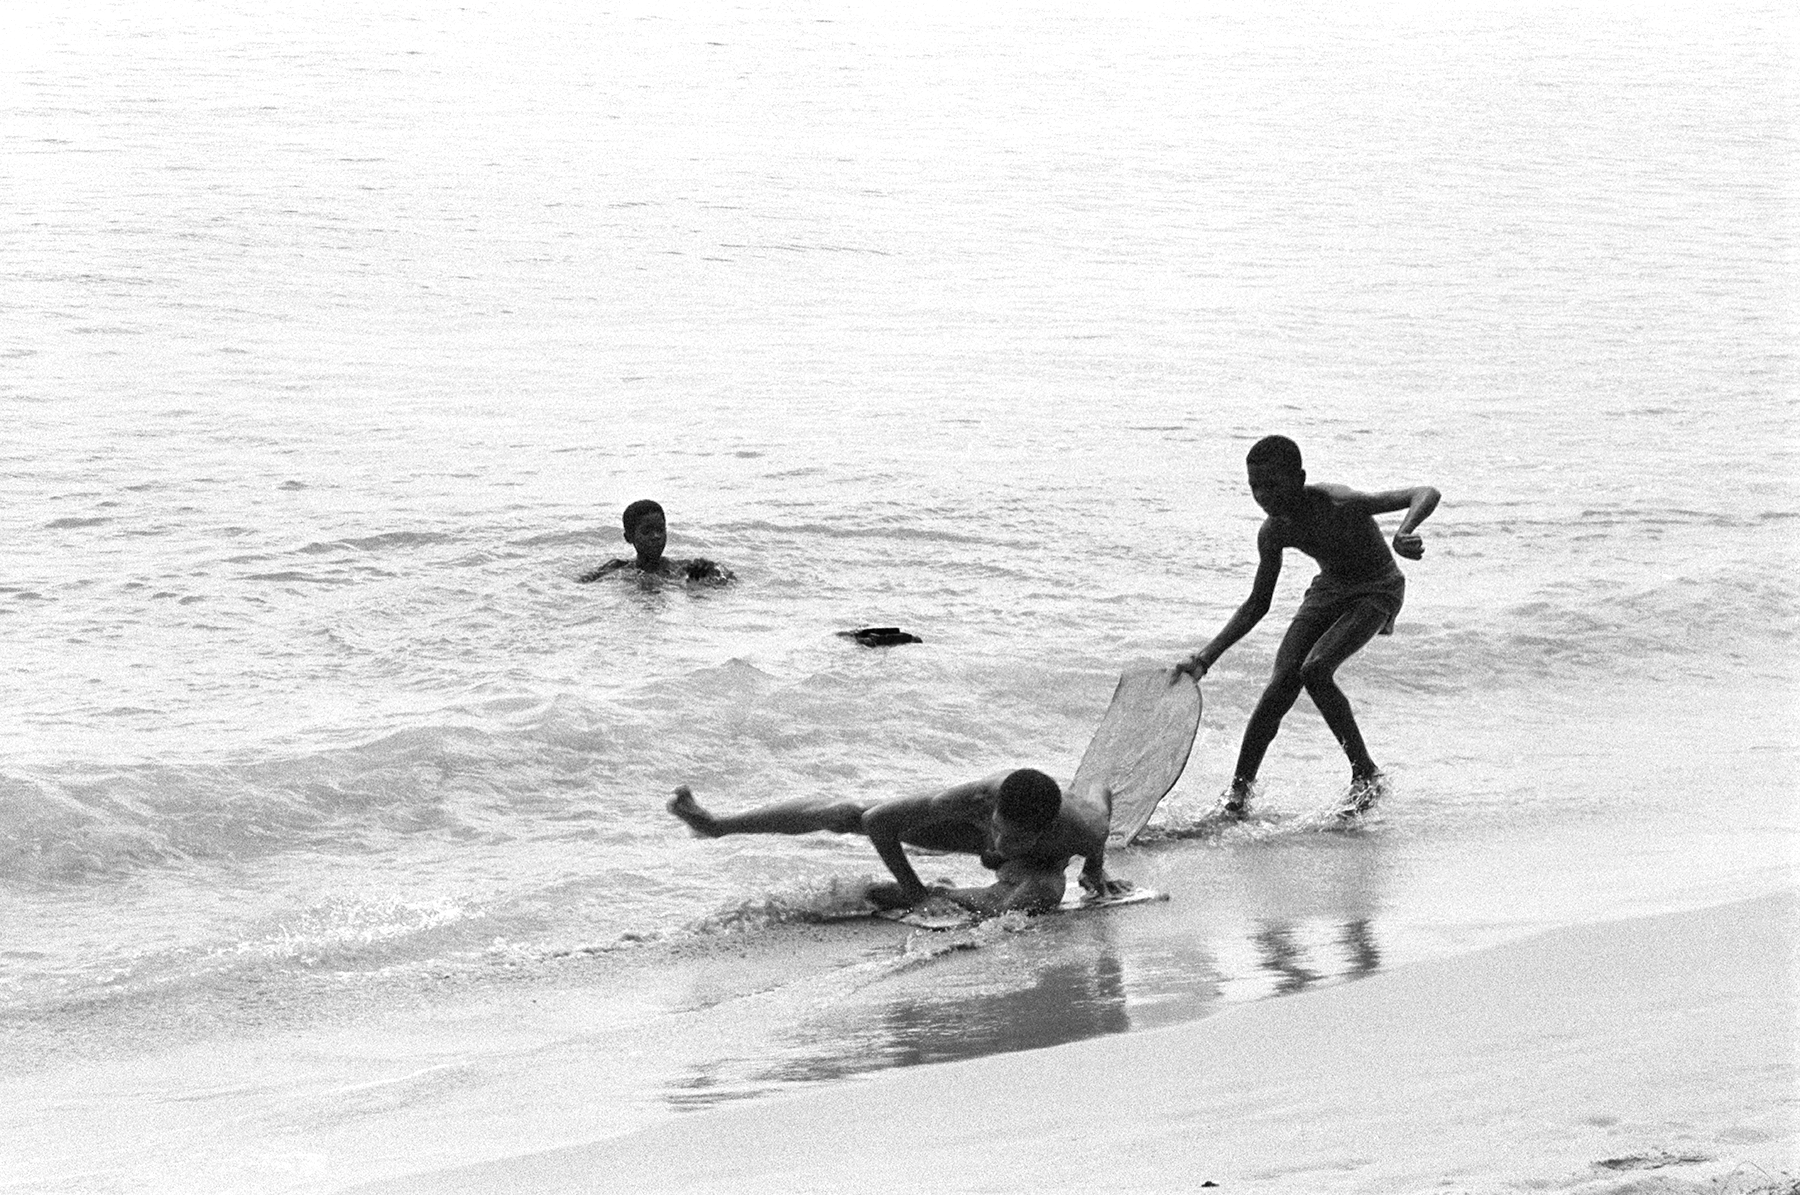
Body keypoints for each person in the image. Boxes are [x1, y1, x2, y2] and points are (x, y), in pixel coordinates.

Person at [1176, 435, 1439, 816]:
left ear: (1299, 478)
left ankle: (1365, 774)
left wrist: (1404, 531)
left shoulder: (1339, 503)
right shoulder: (1274, 532)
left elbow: (1424, 492)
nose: (1263, 496)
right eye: (1254, 487)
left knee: (1316, 669)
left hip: (1378, 588)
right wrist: (1204, 659)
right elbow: (1256, 605)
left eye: (1272, 485)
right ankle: (1237, 795)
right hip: (1330, 588)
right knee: (1280, 684)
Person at [667, 768, 1129, 914]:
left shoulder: (1084, 828)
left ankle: (951, 893)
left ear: (1046, 831)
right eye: (999, 828)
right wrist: (914, 890)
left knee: (1039, 897)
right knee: (846, 815)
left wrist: (1094, 868)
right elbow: (878, 824)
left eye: (1013, 838)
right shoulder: (973, 801)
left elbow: (1100, 788)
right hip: (963, 832)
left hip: (1042, 862)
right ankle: (717, 825)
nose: (1000, 842)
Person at [578, 499, 733, 584]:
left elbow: (728, 578)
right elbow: (581, 583)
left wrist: (706, 571)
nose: (656, 536)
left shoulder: (680, 567)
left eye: (660, 530)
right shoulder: (616, 566)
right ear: (628, 538)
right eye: (647, 532)